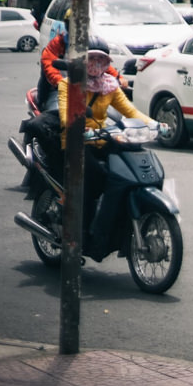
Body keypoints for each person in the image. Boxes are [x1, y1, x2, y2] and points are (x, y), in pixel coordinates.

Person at [58, 46, 153, 258]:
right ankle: (80, 233)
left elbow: (131, 111)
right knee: (96, 178)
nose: (96, 64)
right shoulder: (69, 85)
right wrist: (79, 125)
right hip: (76, 143)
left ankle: (111, 223)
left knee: (125, 172)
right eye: (92, 59)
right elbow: (66, 115)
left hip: (100, 140)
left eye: (101, 60)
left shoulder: (109, 85)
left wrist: (156, 124)